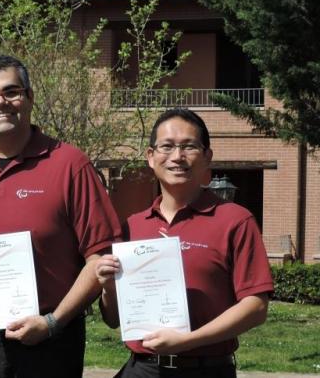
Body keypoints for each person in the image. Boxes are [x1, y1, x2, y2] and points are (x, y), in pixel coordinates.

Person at [0, 55, 123, 378]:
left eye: (12, 92)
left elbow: (100, 258)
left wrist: (52, 323)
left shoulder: (70, 164)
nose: (1, 103)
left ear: (30, 98)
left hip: (49, 342)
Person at [96, 108, 273, 378]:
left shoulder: (235, 220)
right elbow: (113, 320)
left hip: (206, 369)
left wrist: (186, 341)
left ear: (207, 157)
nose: (177, 157)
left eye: (189, 146)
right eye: (166, 146)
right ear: (150, 157)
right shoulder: (132, 226)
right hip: (141, 368)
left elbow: (256, 307)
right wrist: (109, 288)